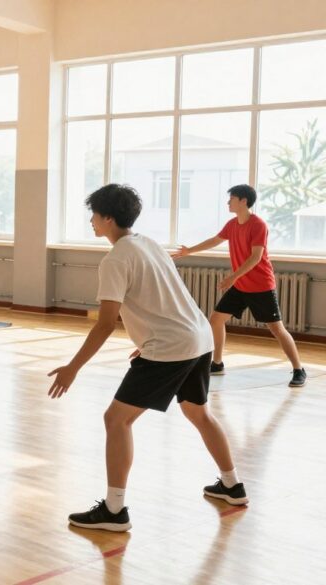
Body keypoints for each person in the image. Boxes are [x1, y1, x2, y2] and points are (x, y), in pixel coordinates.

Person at [48, 184, 247, 532]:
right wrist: (149, 337)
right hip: (198, 338)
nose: (91, 221)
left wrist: (72, 368)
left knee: (116, 420)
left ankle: (114, 511)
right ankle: (232, 486)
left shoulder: (115, 259)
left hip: (171, 347)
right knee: (198, 413)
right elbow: (165, 296)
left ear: (108, 218)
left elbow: (106, 323)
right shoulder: (148, 244)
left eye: (94, 214)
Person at [172, 184, 305, 387]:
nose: (228, 202)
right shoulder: (232, 224)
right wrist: (189, 250)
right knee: (216, 319)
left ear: (244, 201)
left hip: (261, 285)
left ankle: (298, 369)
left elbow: (255, 257)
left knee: (277, 329)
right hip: (241, 285)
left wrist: (232, 277)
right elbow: (215, 240)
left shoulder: (258, 225)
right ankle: (217, 363)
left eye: (232, 198)